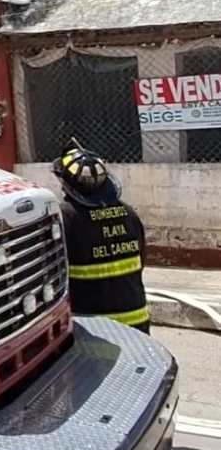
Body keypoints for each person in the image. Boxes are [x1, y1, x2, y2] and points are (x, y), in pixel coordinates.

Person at [53, 141, 150, 334]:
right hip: (137, 321)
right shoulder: (128, 213)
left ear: (65, 184)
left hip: (94, 327)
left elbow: (55, 272)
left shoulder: (65, 217)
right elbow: (142, 259)